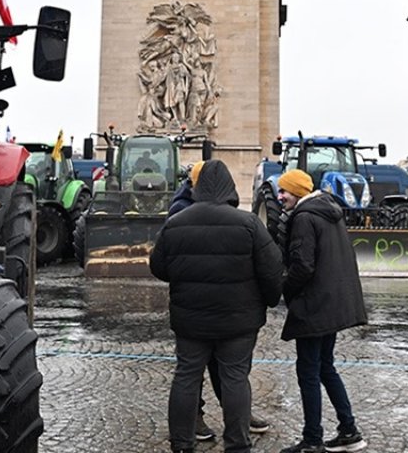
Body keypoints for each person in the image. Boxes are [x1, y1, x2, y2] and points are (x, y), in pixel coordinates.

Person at [150, 160, 284, 453]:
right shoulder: (248, 224)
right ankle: (237, 445)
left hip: (191, 320)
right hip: (239, 321)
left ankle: (182, 444)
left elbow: (158, 266)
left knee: (186, 376)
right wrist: (269, 300)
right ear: (229, 187)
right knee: (235, 378)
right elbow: (273, 270)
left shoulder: (176, 222)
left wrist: (184, 277)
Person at [276, 169, 368, 453]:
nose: (280, 197)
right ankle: (349, 430)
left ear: (299, 192)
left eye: (284, 191)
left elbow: (302, 265)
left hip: (315, 305)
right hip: (333, 302)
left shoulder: (304, 217)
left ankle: (312, 440)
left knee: (309, 372)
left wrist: (285, 291)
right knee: (326, 367)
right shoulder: (330, 211)